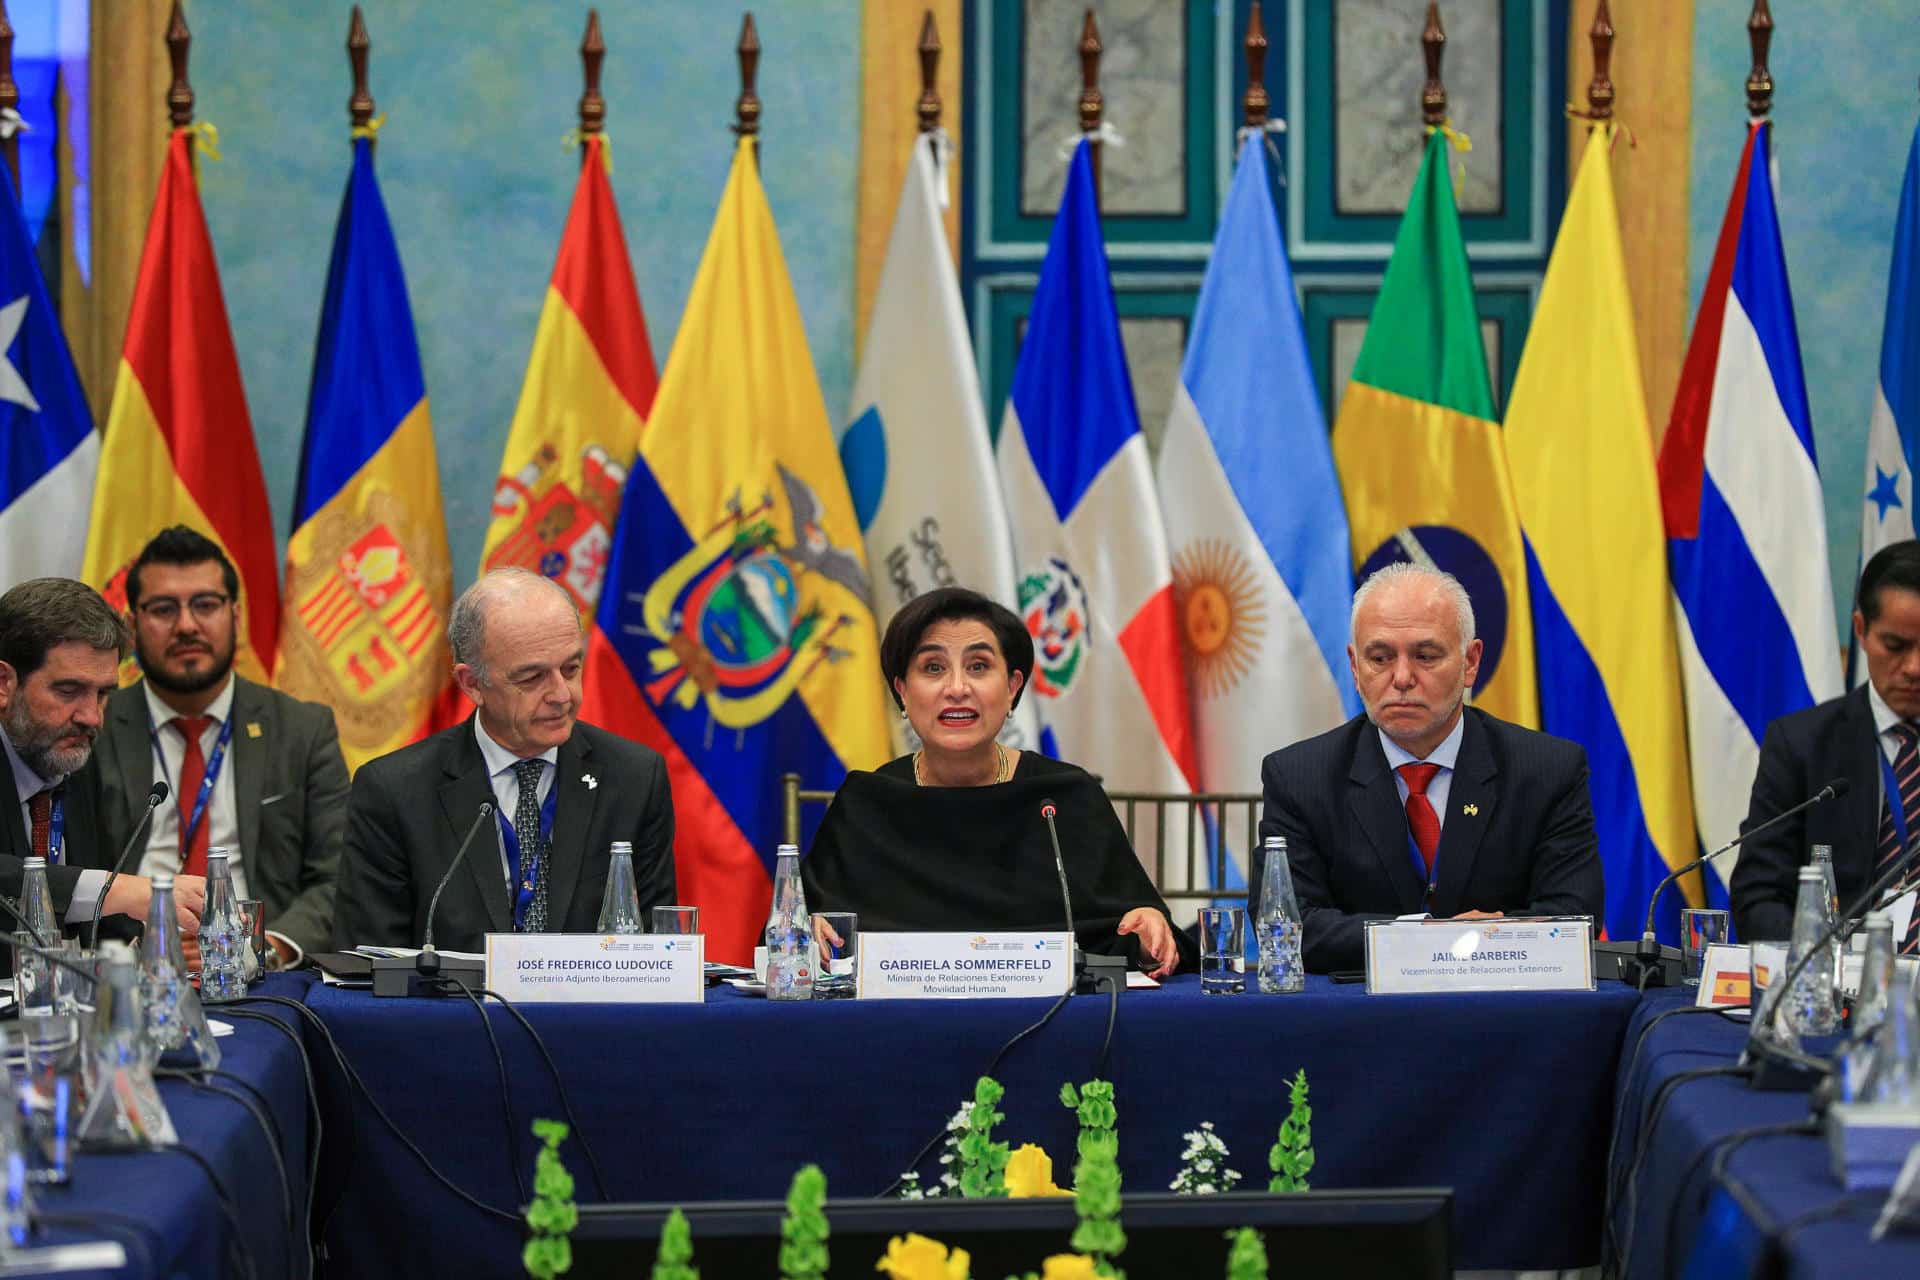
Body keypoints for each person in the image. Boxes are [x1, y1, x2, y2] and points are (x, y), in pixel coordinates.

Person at [802, 587, 1192, 976]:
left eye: (978, 666)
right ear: (902, 690)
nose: (957, 688)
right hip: (901, 1026)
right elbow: (794, 940)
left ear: (1011, 688)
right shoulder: (867, 805)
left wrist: (1146, 931)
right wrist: (807, 934)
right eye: (933, 668)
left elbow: (1130, 942)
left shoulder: (1063, 799)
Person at [1256, 563, 1603, 973]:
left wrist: (1486, 941)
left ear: (1470, 662)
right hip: (1358, 1020)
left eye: (1425, 655)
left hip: (1502, 1015)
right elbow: (1289, 927)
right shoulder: (1299, 777)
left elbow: (1574, 916)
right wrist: (1429, 936)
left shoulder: (1547, 771)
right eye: (1380, 658)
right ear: (1354, 666)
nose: (1402, 678)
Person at [332, 568, 675, 953]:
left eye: (571, 669)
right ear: (472, 684)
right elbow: (368, 966)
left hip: (594, 1012)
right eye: (532, 678)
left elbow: (658, 952)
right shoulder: (394, 792)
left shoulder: (634, 779)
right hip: (452, 1011)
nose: (562, 695)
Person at [89, 526, 348, 965]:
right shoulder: (94, 726)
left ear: (236, 616)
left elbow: (338, 875)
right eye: (164, 609)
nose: (187, 625)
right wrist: (135, 951)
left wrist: (263, 950)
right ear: (131, 627)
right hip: (128, 969)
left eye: (206, 605)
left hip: (264, 974)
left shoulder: (302, 730)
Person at [1732, 540, 1920, 950]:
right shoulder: (1802, 744)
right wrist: (1821, 963)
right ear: (1860, 630)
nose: (1914, 668)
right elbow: (1758, 896)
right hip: (1837, 985)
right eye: (1896, 645)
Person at [0, 577, 204, 940]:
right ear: (4, 683)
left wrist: (161, 941)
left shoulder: (72, 755)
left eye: (103, 694)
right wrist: (120, 890)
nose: (92, 716)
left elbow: (102, 921)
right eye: (68, 690)